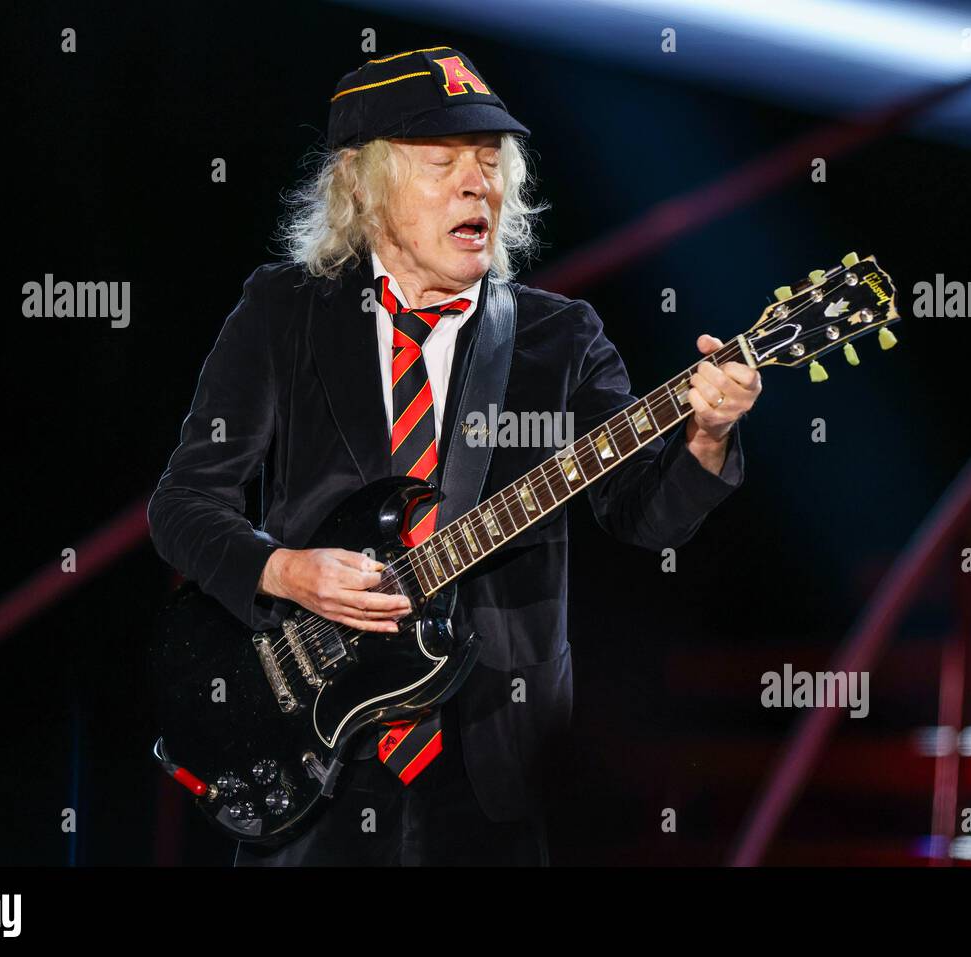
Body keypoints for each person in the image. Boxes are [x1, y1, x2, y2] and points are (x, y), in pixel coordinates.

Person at [148, 45, 761, 866]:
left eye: (489, 162)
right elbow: (183, 505)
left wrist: (705, 435)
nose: (480, 184)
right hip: (308, 759)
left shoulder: (559, 337)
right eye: (444, 163)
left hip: (491, 771)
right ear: (362, 185)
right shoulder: (281, 312)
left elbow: (642, 517)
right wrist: (283, 571)